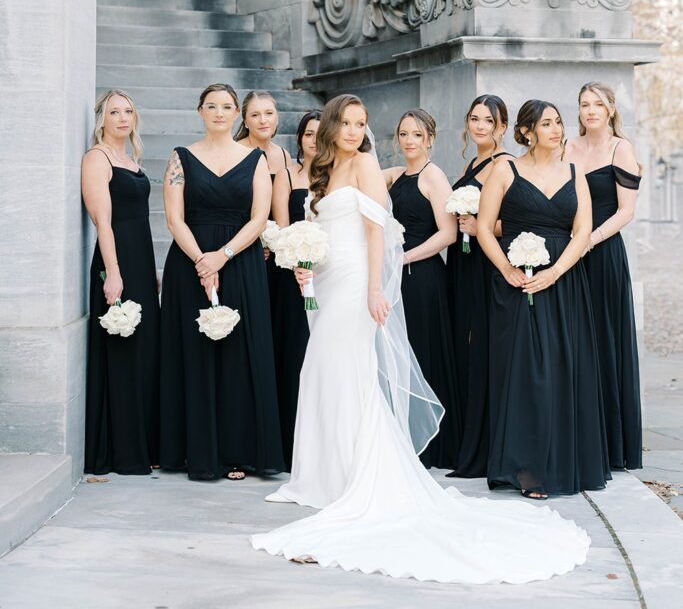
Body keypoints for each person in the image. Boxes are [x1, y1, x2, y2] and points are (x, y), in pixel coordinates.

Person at [251, 95, 591, 584]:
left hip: (356, 284)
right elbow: (322, 229)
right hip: (326, 281)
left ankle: (354, 475)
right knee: (321, 369)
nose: (353, 131)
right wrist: (305, 265)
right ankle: (318, 473)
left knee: (352, 369)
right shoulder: (324, 170)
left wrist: (375, 286)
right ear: (331, 127)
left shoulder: (368, 164)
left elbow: (378, 232)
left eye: (361, 123)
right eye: (345, 123)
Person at [478, 99, 611, 498]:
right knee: (525, 375)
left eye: (558, 122)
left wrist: (555, 272)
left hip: (565, 284)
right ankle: (527, 469)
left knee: (562, 370)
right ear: (527, 131)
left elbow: (583, 231)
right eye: (546, 124)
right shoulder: (506, 170)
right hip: (517, 284)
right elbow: (485, 228)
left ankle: (564, 462)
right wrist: (507, 270)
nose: (556, 129)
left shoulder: (575, 172)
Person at [159, 82, 284, 481]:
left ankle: (238, 451)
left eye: (226, 106)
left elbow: (260, 217)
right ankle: (192, 450)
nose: (218, 112)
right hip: (190, 262)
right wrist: (201, 259)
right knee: (193, 352)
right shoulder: (180, 158)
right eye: (210, 106)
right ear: (200, 111)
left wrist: (223, 256)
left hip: (240, 261)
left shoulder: (256, 160)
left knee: (238, 356)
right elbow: (175, 217)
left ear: (236, 115)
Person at [82, 89, 159, 475]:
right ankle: (121, 451)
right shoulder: (97, 159)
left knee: (145, 352)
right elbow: (103, 221)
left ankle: (143, 444)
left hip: (141, 259)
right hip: (118, 259)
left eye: (129, 111)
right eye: (115, 112)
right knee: (123, 352)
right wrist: (113, 272)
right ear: (102, 118)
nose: (123, 118)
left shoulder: (131, 157)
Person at [566, 82, 642, 470]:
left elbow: (625, 211)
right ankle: (578, 435)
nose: (591, 110)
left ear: (611, 109)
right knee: (575, 340)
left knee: (605, 339)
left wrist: (589, 239)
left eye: (598, 104)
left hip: (602, 252)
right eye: (584, 104)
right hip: (568, 255)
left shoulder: (620, 149)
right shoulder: (567, 148)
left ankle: (613, 445)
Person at [382, 109, 459, 468]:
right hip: (400, 275)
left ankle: (435, 444)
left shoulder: (434, 177)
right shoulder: (397, 175)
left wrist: (405, 257)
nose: (409, 141)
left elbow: (447, 233)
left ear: (430, 138)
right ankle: (405, 435)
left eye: (417, 134)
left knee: (425, 351)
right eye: (403, 134)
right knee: (405, 350)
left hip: (424, 274)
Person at [447, 95, 513, 479]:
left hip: (485, 265)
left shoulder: (503, 164)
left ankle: (486, 446)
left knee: (482, 347)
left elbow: (516, 218)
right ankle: (467, 438)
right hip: (464, 261)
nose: (480, 126)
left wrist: (481, 227)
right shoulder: (473, 163)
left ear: (502, 126)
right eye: (474, 119)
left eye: (488, 120)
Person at [270, 110, 321, 468]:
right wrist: (297, 266)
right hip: (291, 278)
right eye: (308, 134)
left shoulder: (338, 174)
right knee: (293, 354)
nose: (314, 140)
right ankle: (291, 444)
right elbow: (282, 227)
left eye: (321, 133)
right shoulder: (287, 174)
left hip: (328, 274)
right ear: (300, 139)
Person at [235, 90, 292, 179]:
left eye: (269, 113)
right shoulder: (234, 152)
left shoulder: (284, 156)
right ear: (245, 122)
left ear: (277, 118)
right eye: (255, 115)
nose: (263, 121)